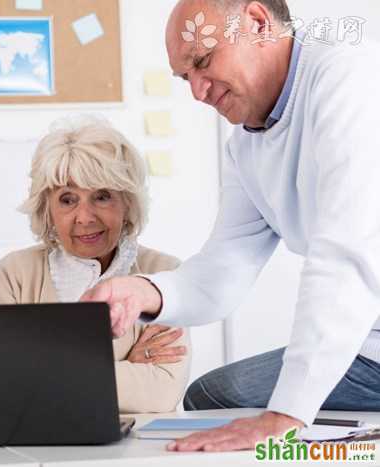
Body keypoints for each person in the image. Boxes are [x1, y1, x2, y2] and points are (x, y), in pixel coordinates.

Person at [82, 0, 380, 451]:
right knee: (213, 395)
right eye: (186, 78)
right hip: (368, 346)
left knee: (280, 414)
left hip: (365, 335)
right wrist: (143, 291)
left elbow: (346, 258)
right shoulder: (246, 146)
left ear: (258, 23)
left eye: (203, 61)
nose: (198, 92)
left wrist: (285, 415)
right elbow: (223, 269)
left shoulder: (350, 80)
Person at [0, 118, 191, 413]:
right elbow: (5, 385)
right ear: (48, 210)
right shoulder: (15, 274)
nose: (85, 217)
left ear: (127, 203)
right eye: (67, 200)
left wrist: (43, 371)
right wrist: (123, 368)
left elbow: (160, 393)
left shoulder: (163, 272)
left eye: (102, 196)